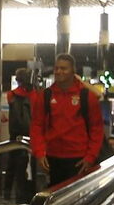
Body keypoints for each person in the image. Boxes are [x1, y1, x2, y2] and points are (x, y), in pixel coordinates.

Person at [30, 53, 104, 187]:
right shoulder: (45, 96)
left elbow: (96, 129)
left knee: (77, 200)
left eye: (64, 68)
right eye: (56, 68)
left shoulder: (86, 96)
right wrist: (40, 153)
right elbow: (36, 126)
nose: (59, 71)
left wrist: (90, 157)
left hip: (79, 159)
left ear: (73, 71)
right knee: (55, 200)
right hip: (53, 158)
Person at [5, 67, 36, 202]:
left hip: (15, 135)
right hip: (32, 135)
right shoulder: (35, 95)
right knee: (30, 165)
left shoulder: (11, 95)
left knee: (12, 164)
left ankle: (7, 193)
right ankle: (27, 194)